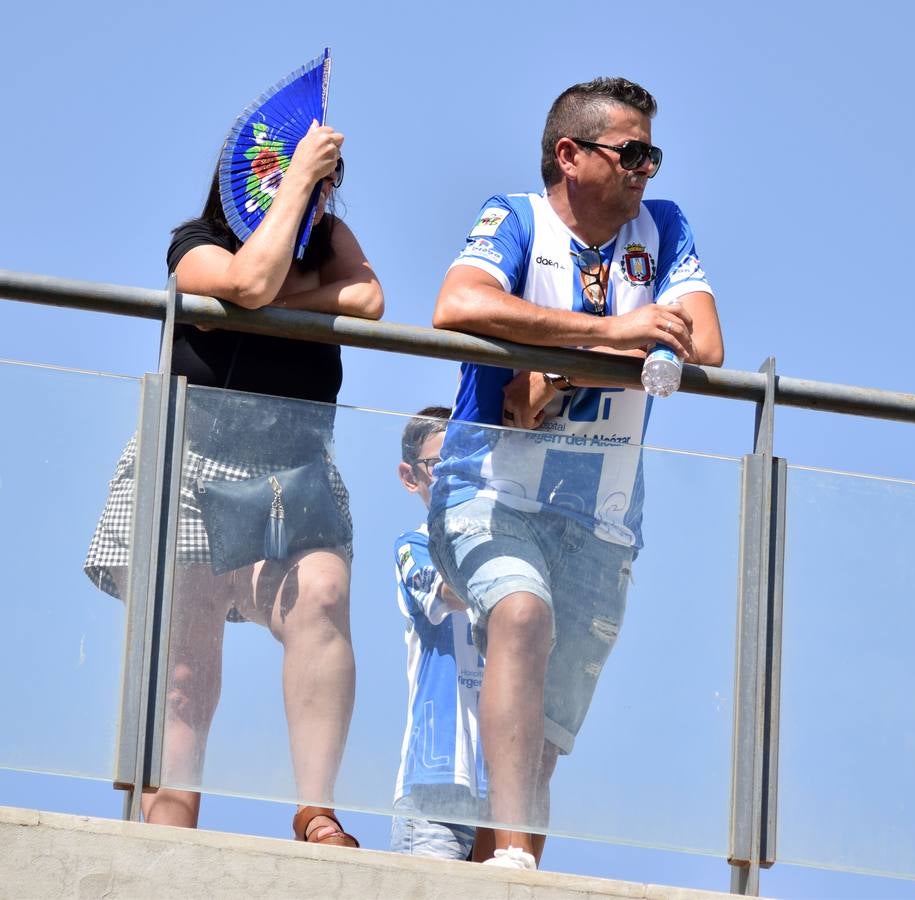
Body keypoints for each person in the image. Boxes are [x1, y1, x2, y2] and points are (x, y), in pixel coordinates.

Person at [427, 76, 724, 870]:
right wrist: (616, 332)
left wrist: (562, 369)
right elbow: (456, 306)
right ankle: (514, 861)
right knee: (520, 617)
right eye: (633, 153)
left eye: (652, 155)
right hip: (491, 492)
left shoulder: (664, 228)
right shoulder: (514, 216)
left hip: (605, 521)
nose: (647, 171)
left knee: (542, 750)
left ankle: (497, 862)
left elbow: (705, 343)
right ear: (570, 153)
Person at [84, 117, 383, 847]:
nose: (323, 196)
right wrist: (275, 272)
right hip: (191, 456)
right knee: (184, 662)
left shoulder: (330, 243)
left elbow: (369, 300)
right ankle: (169, 827)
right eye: (312, 177)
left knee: (323, 593)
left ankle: (317, 812)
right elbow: (245, 278)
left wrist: (269, 306)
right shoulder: (196, 244)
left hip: (293, 465)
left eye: (329, 182)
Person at [389, 406, 489, 860]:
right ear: (411, 478)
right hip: (433, 788)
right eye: (438, 464)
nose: (453, 475)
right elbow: (447, 592)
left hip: (497, 789)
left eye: (464, 461)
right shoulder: (414, 545)